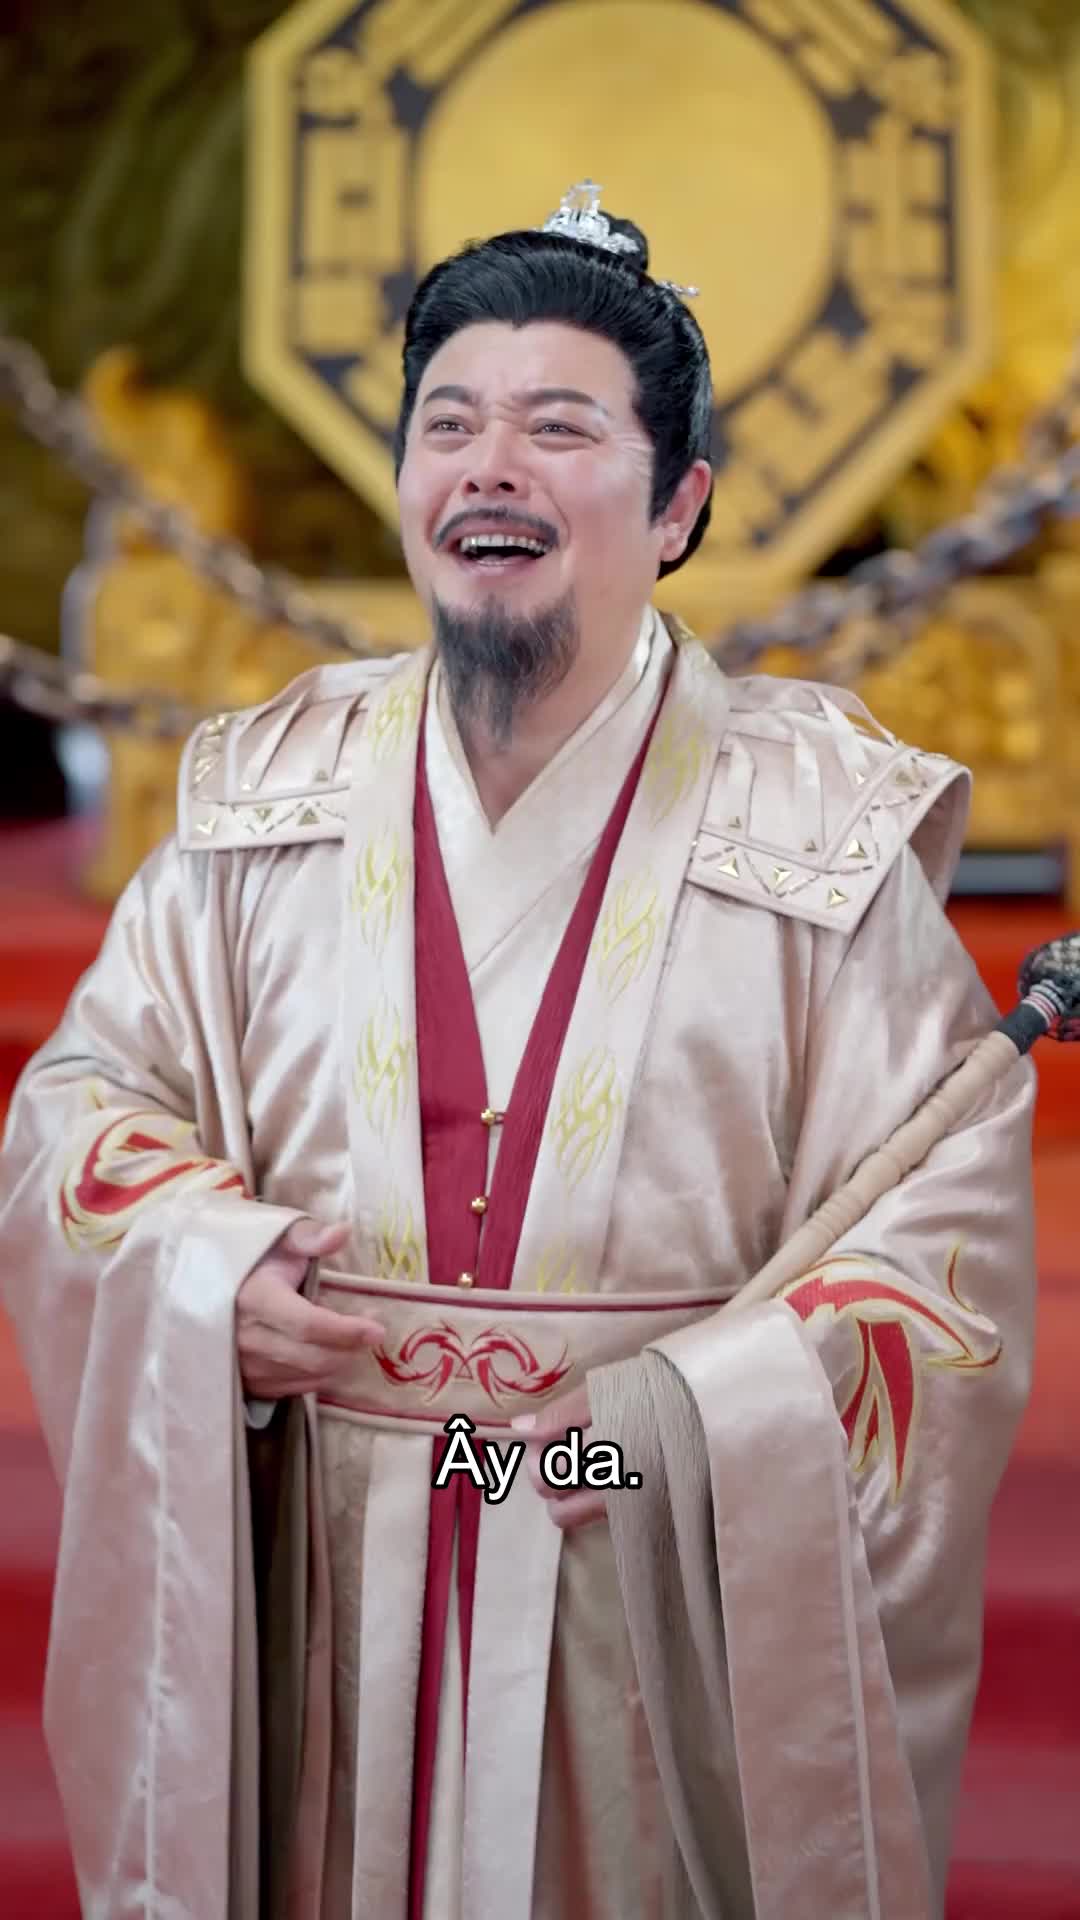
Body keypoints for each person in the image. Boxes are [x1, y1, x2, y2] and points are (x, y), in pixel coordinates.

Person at [0, 182, 1035, 1920]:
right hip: (326, 1562)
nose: (492, 469)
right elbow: (81, 1107)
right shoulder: (263, 808)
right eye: (450, 424)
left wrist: (668, 1432)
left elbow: (941, 1260)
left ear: (679, 502)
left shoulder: (821, 841)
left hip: (635, 1569)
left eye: (561, 429)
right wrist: (202, 1272)